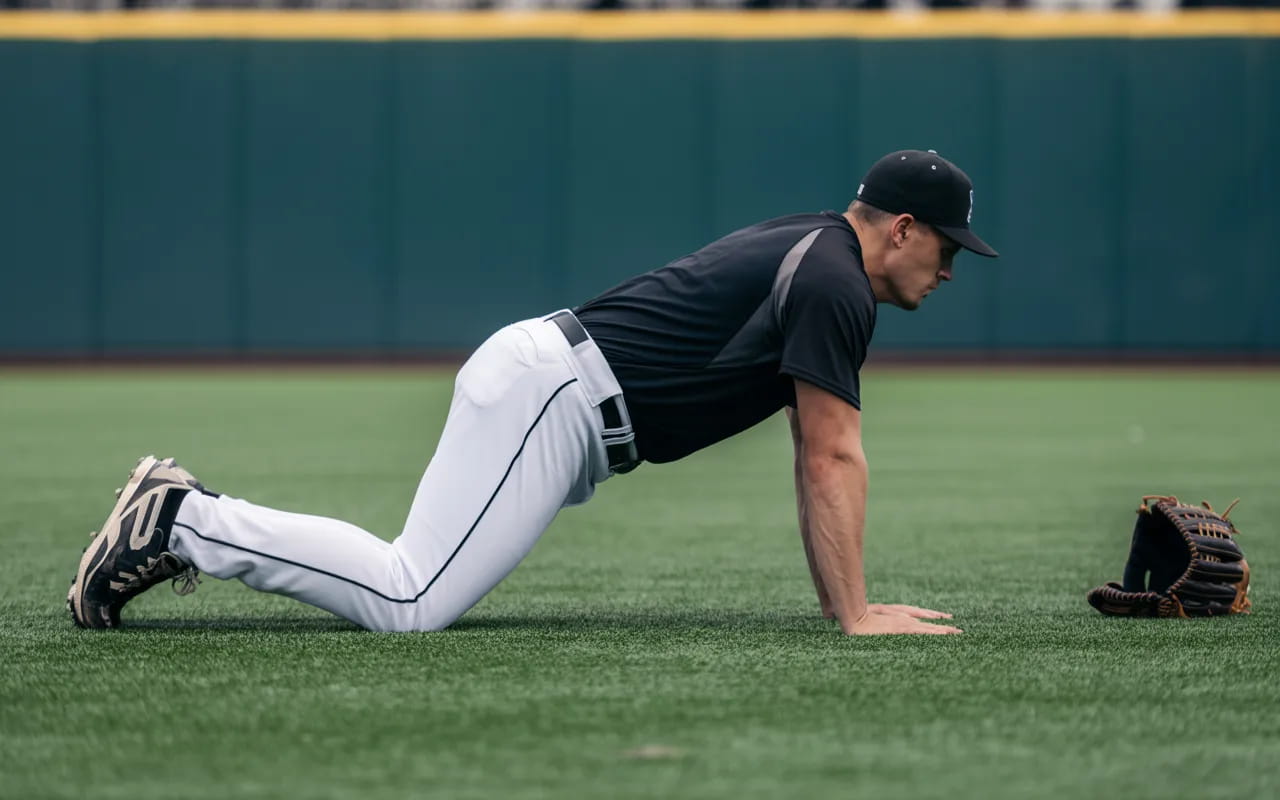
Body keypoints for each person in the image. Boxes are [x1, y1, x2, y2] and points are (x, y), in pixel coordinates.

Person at [68, 149, 997, 636]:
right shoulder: (835, 280)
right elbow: (827, 454)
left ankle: (185, 518)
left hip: (555, 389)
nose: (953, 268)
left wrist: (850, 606)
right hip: (556, 398)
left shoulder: (820, 250)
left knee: (415, 585)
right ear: (904, 229)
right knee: (411, 598)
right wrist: (857, 614)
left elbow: (819, 451)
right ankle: (184, 521)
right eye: (950, 247)